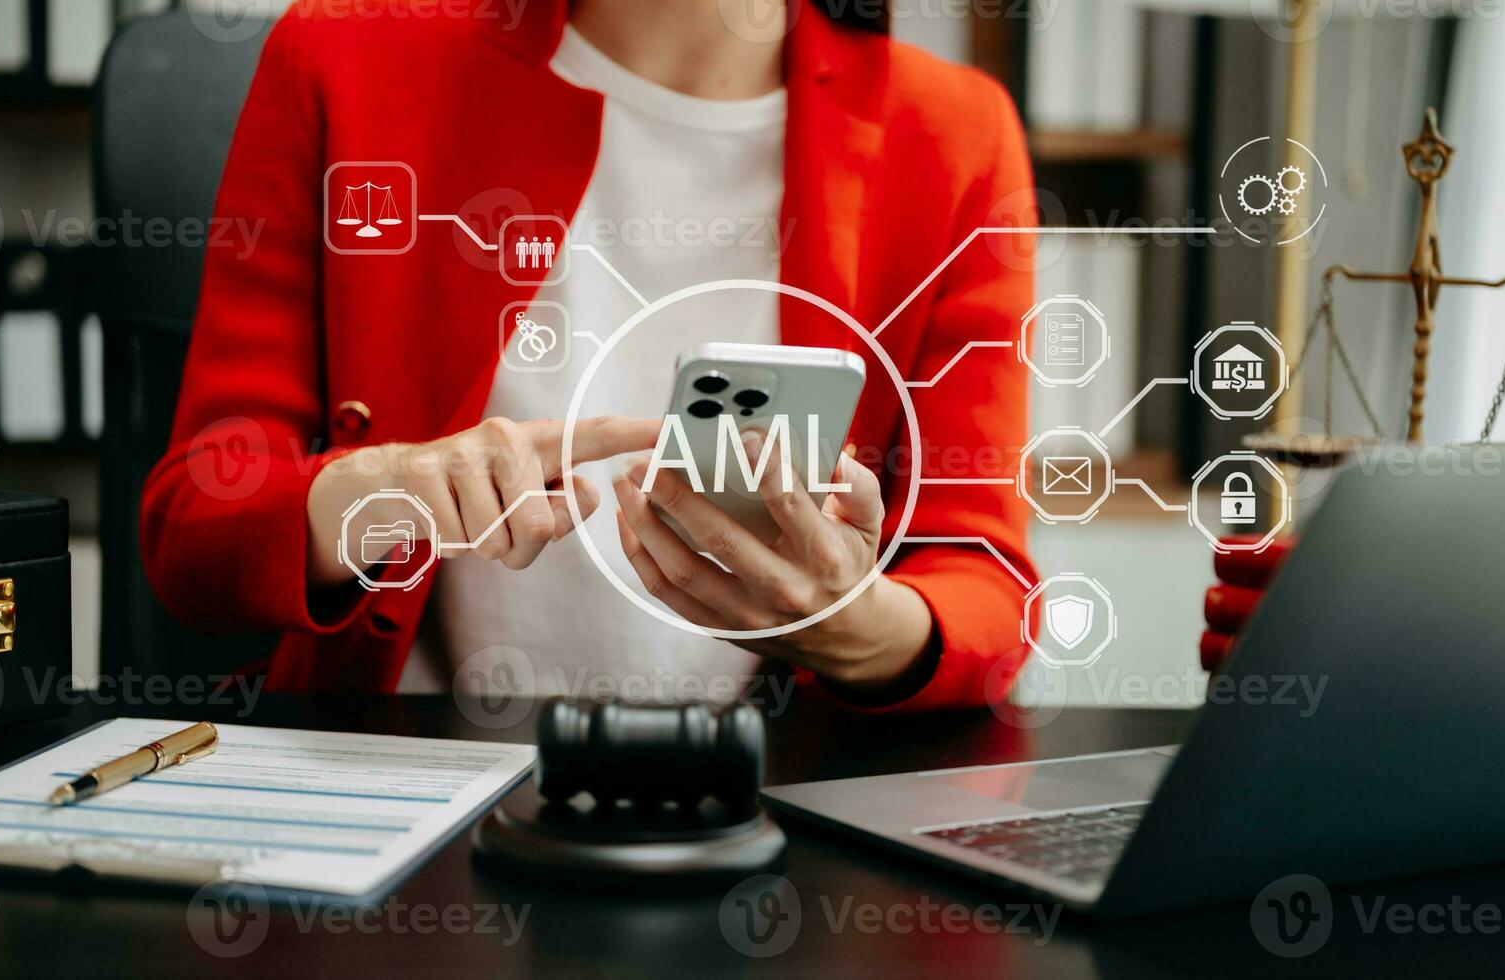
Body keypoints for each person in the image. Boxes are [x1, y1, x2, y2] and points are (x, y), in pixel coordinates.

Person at [141, 0, 1038, 709]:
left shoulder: (955, 135)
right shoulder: (343, 57)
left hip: (772, 820)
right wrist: (383, 490)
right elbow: (193, 529)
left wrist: (854, 625)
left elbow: (983, 587)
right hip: (399, 793)